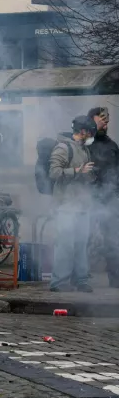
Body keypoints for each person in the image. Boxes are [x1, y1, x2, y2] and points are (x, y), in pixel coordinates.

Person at [49, 115, 98, 292]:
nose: (92, 135)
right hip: (66, 206)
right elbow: (54, 173)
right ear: (83, 131)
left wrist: (90, 175)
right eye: (91, 132)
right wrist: (78, 170)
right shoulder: (63, 148)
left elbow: (84, 174)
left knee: (81, 244)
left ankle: (81, 280)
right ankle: (59, 283)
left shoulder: (84, 149)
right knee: (65, 244)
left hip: (82, 205)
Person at [87, 107, 119, 287]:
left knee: (113, 239)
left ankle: (116, 279)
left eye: (107, 119)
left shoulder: (112, 145)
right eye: (102, 118)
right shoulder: (84, 143)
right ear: (92, 119)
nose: (106, 122)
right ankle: (80, 279)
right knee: (83, 238)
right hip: (88, 198)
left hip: (110, 199)